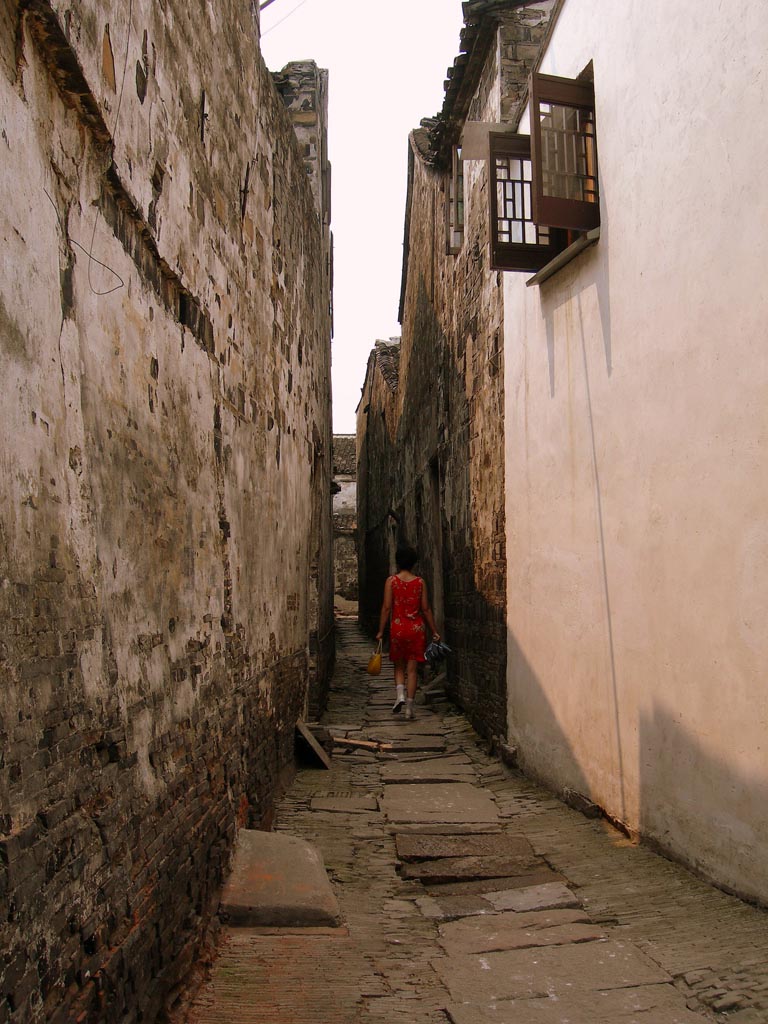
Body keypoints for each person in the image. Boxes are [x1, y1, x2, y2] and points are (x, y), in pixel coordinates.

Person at [376, 544, 440, 720]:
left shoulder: (391, 581)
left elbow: (387, 607)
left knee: (398, 666)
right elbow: (426, 609)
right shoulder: (420, 582)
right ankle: (410, 707)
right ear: (414, 563)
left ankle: (400, 695)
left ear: (398, 562)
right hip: (416, 630)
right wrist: (434, 630)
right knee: (412, 669)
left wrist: (381, 630)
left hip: (398, 628)